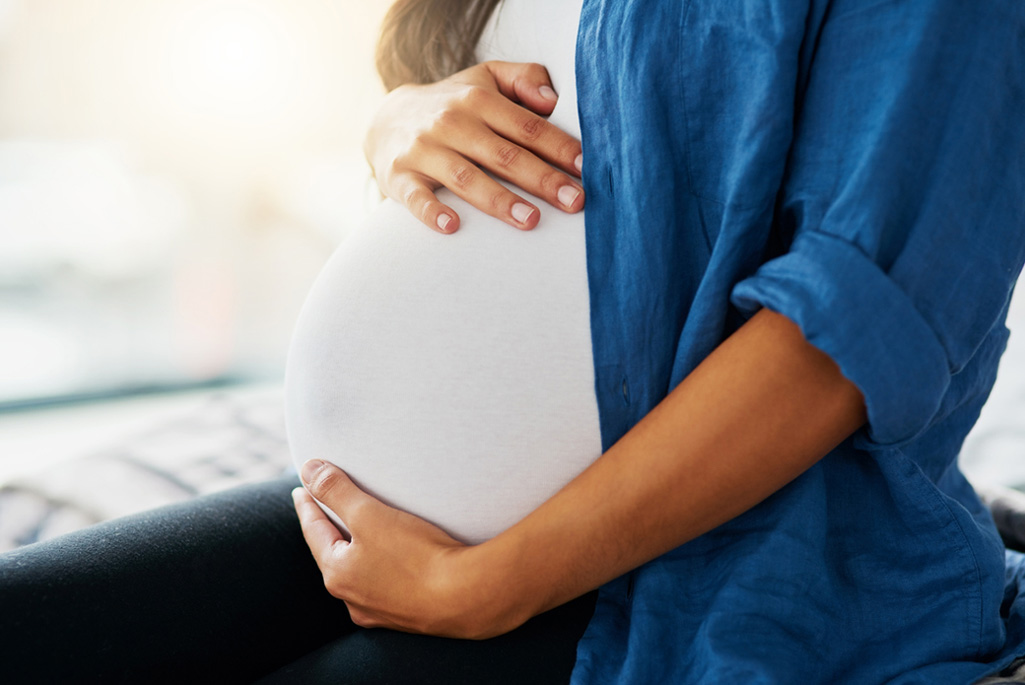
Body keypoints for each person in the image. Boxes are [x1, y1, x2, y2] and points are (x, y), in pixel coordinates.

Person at [3, 0, 1025, 683]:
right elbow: (480, 102)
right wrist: (397, 123)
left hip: (712, 567)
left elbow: (849, 328)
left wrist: (486, 586)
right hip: (384, 524)